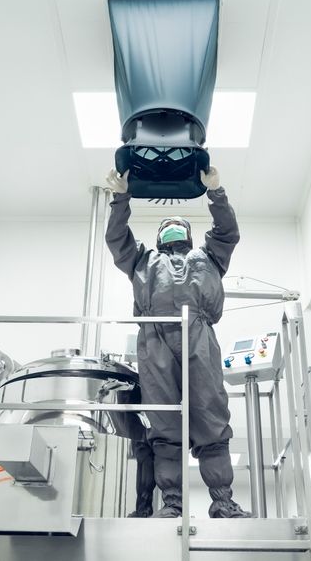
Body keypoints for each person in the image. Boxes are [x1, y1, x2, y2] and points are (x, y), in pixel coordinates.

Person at [104, 166, 250, 519]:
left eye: (179, 221)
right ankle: (172, 503)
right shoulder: (143, 260)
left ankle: (222, 501)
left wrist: (216, 192)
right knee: (165, 422)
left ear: (188, 233)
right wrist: (120, 197)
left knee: (210, 418)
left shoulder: (209, 257)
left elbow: (227, 232)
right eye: (165, 223)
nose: (172, 224)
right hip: (154, 340)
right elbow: (117, 239)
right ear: (157, 237)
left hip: (199, 336)